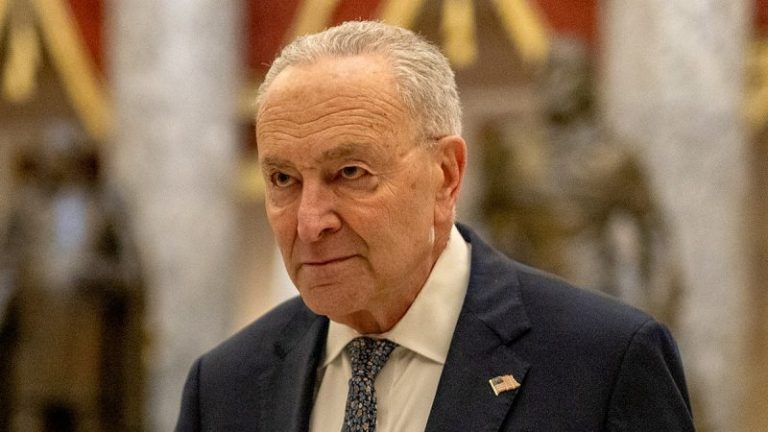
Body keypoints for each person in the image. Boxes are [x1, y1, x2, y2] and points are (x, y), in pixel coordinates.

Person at [176, 21, 694, 431]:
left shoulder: (604, 364)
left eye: (350, 173)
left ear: (445, 175)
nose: (310, 223)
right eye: (283, 179)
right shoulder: (224, 386)